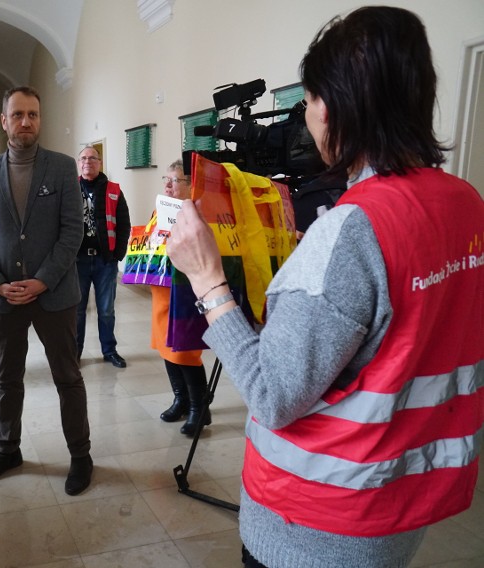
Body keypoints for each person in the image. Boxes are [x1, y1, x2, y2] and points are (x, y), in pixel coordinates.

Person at [168, 7, 484, 567]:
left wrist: (208, 279)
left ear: (338, 107)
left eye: (309, 100)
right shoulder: (465, 204)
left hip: (314, 525)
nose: (307, 117)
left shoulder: (353, 229)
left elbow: (274, 395)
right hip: (400, 500)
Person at [0, 86, 93, 496]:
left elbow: (72, 231)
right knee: (8, 379)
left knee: (67, 377)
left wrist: (42, 280)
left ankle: (80, 455)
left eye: (33, 115)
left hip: (54, 295)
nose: (26, 122)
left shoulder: (60, 168)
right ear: (4, 121)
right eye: (18, 114)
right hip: (5, 296)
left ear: (40, 120)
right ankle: (8, 449)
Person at [150, 161, 209, 436]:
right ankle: (181, 400)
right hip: (161, 295)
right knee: (166, 348)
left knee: (186, 352)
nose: (168, 186)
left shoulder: (199, 214)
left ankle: (200, 409)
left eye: (175, 180)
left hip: (185, 294)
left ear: (190, 185)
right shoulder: (161, 210)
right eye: (167, 179)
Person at [75, 146, 131, 367]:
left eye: (92, 158)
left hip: (104, 261)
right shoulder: (70, 188)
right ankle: (74, 353)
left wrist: (118, 254)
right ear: (79, 163)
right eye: (84, 158)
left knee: (106, 310)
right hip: (77, 261)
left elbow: (124, 224)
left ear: (99, 162)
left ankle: (109, 351)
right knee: (77, 311)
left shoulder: (114, 190)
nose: (88, 161)